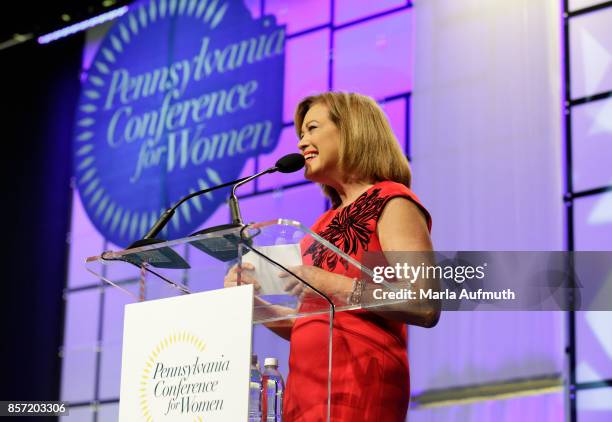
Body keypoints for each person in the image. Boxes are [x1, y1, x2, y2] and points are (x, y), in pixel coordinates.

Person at [225, 92, 440, 421]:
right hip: (306, 395)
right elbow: (313, 320)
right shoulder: (319, 226)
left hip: (362, 384)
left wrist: (332, 284)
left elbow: (423, 303)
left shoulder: (391, 200)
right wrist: (256, 306)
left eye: (311, 129)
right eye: (300, 134)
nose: (301, 143)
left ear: (353, 130)